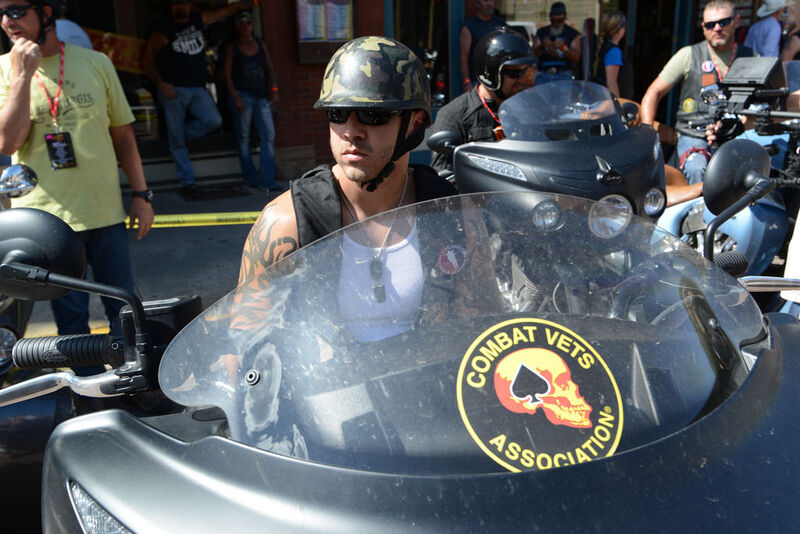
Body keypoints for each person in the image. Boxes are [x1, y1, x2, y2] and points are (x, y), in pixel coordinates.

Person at [234, 36, 459, 330]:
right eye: (337, 113)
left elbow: (482, 324)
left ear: (415, 124)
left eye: (373, 115)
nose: (351, 131)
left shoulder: (450, 211)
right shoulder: (287, 222)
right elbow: (245, 341)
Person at [0, 0, 154, 338]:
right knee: (71, 323)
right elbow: (8, 143)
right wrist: (23, 74)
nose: (7, 21)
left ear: (45, 13)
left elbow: (123, 135)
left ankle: (130, 371)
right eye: (1, 14)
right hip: (45, 223)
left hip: (104, 211)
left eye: (16, 11)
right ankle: (87, 374)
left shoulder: (96, 62)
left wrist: (142, 195)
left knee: (125, 314)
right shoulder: (4, 70)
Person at [142, 0, 252, 198]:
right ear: (170, 7)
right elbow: (147, 62)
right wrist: (162, 84)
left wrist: (244, 4)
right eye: (175, 3)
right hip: (173, 90)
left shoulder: (197, 20)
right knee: (177, 142)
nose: (180, 7)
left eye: (183, 2)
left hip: (197, 88)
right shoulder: (162, 30)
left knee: (213, 120)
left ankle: (178, 138)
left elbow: (224, 11)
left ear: (190, 5)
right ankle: (188, 183)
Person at [640, 0, 753, 184]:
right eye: (710, 25)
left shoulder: (751, 57)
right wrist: (646, 135)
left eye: (723, 22)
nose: (717, 28)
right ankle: (698, 204)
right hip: (694, 134)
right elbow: (654, 92)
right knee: (697, 167)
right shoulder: (689, 55)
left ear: (736, 21)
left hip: (735, 134)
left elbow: (764, 103)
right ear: (703, 27)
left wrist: (745, 121)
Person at [429, 28, 536, 173]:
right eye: (514, 73)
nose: (522, 80)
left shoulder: (530, 109)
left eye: (526, 72)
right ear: (491, 74)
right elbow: (442, 175)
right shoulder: (454, 115)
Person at [223, 11, 280, 193]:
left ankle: (267, 180)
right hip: (242, 96)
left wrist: (274, 90)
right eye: (241, 23)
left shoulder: (260, 44)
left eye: (248, 23)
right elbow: (227, 75)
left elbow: (270, 68)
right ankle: (250, 178)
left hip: (261, 96)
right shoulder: (232, 47)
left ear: (252, 26)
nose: (245, 27)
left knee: (268, 136)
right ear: (236, 27)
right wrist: (235, 98)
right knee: (244, 138)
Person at [460, 0, 506, 91]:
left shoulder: (500, 24)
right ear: (477, 4)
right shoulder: (469, 27)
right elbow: (463, 59)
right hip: (477, 83)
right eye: (485, 1)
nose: (489, 4)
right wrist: (467, 82)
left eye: (491, 0)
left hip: (500, 81)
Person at [533, 2, 581, 84]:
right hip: (543, 74)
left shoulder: (573, 33)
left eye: (559, 15)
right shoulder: (542, 32)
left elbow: (576, 57)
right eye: (554, 15)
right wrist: (542, 46)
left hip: (563, 75)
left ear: (564, 16)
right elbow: (533, 54)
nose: (556, 18)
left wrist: (563, 48)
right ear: (550, 16)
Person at [593, 10, 633, 99]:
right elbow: (611, 83)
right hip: (610, 102)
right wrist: (617, 105)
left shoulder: (604, 47)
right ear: (619, 29)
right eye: (624, 26)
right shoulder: (614, 51)